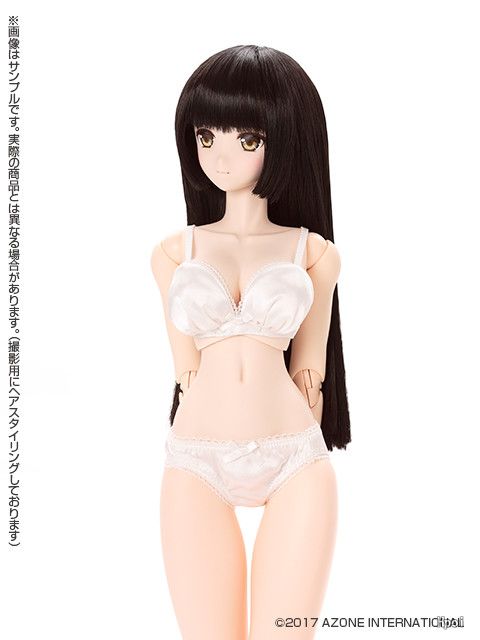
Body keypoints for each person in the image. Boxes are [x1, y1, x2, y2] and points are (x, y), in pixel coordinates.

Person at [150, 44, 351, 640]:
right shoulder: (173, 253)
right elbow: (185, 373)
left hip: (293, 459)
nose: (220, 155)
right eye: (205, 135)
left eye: (246, 138)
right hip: (196, 459)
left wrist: (314, 397)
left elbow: (310, 369)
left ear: (285, 138)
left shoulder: (313, 253)